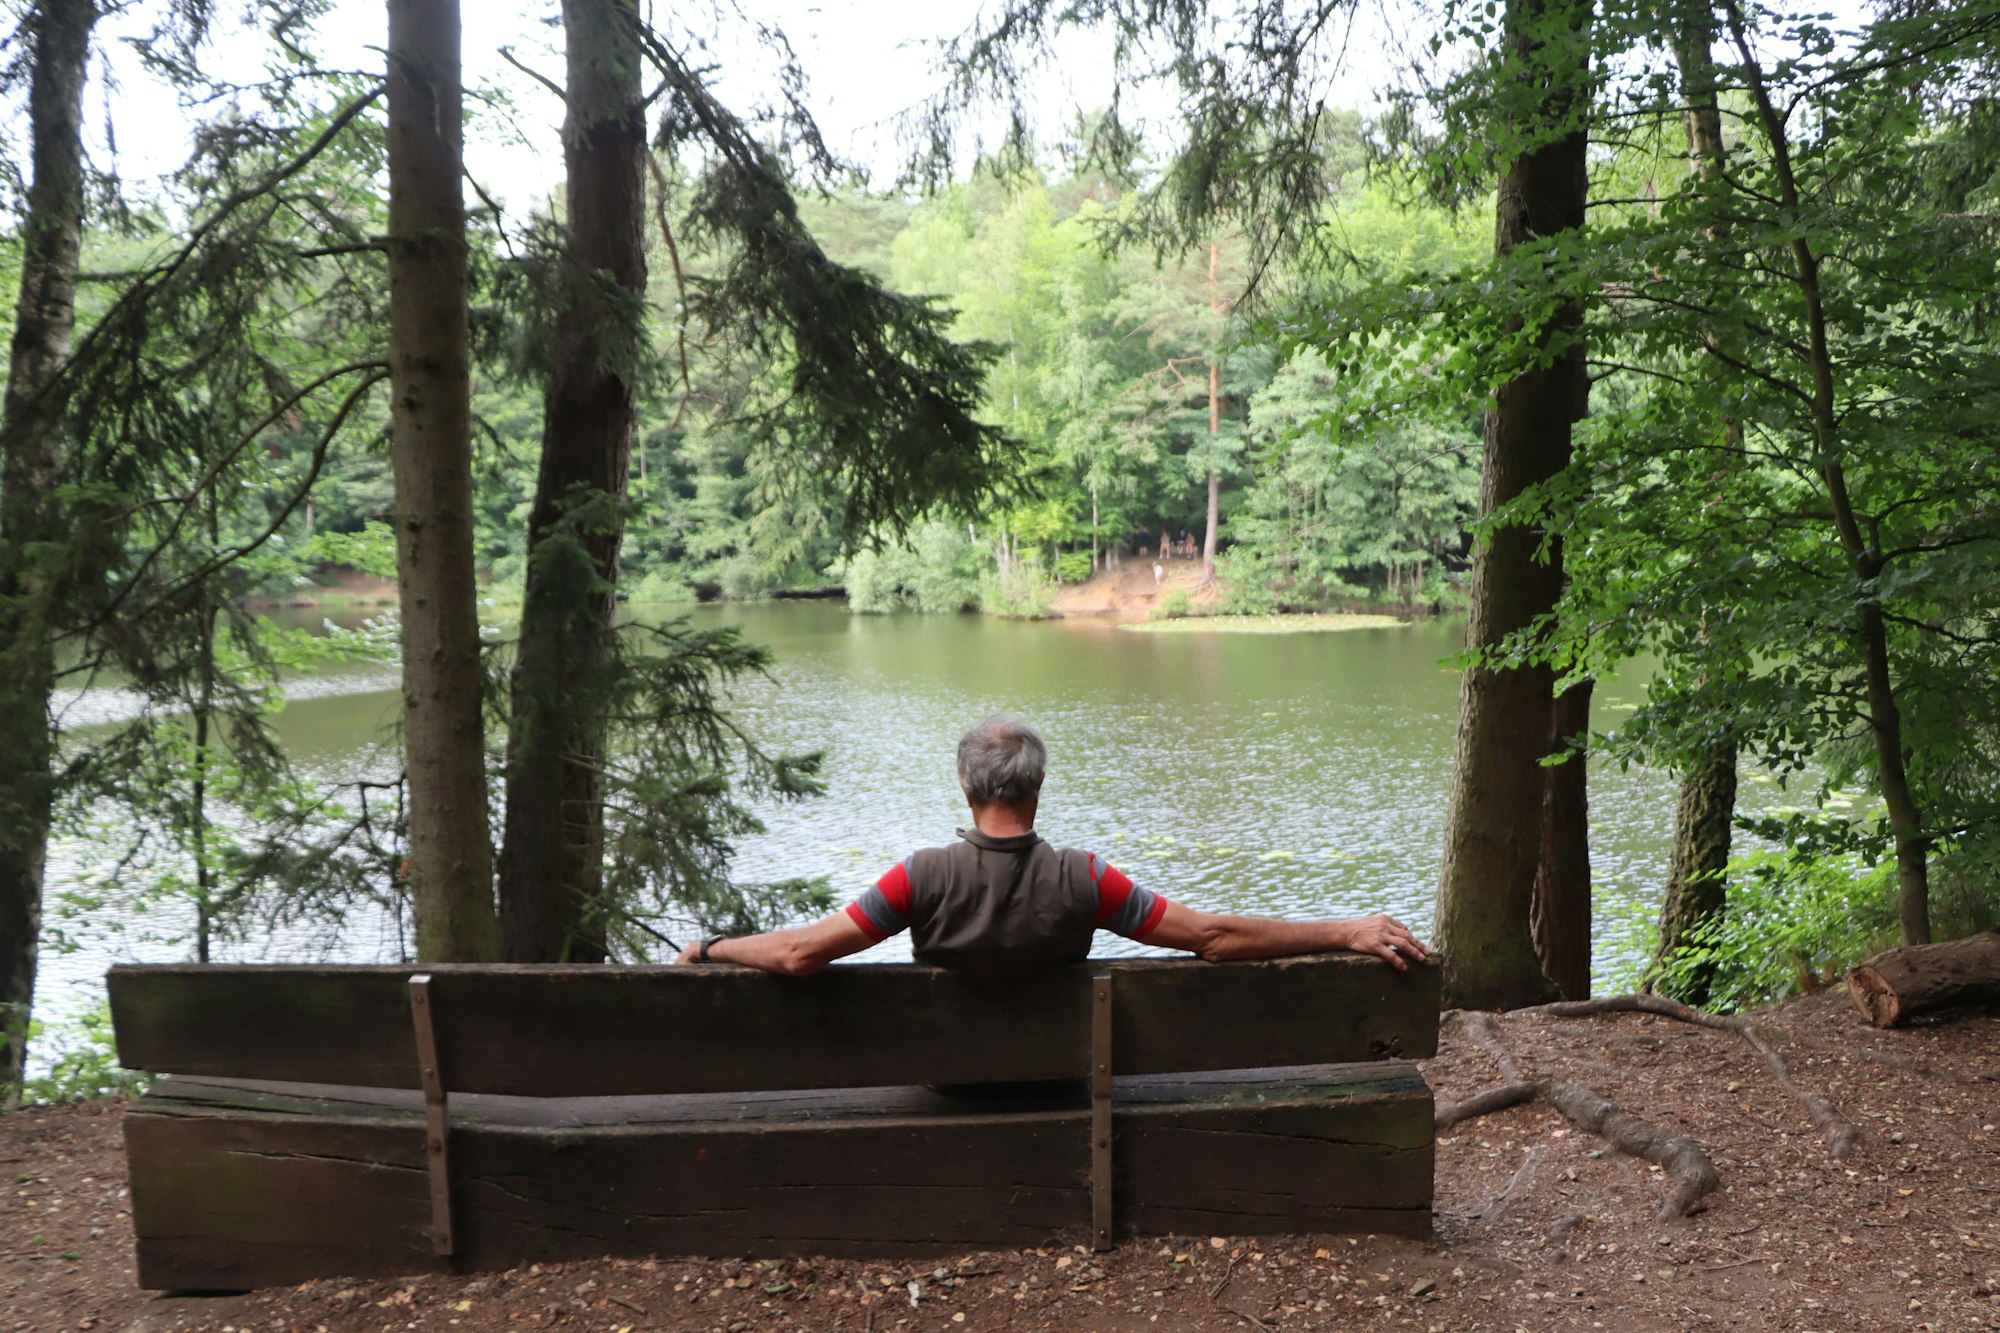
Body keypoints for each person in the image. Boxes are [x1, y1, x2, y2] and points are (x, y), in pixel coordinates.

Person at [677, 717, 1431, 976]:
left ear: (966, 789)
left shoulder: (921, 877)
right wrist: (1344, 929)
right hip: (1063, 1080)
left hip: (948, 1084)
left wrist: (711, 948)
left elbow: (799, 954)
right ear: (1037, 789)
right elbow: (1213, 937)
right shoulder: (1086, 879)